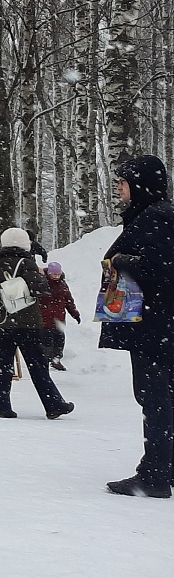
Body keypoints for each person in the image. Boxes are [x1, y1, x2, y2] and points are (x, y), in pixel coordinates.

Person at [102, 156, 174, 497]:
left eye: (124, 181)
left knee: (155, 398)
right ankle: (163, 469)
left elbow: (162, 270)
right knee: (159, 398)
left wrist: (120, 260)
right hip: (160, 326)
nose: (119, 187)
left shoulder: (155, 217)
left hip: (156, 328)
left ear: (142, 184)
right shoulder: (156, 215)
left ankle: (155, 475)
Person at [0, 227, 73, 419]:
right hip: (27, 323)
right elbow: (40, 289)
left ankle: (2, 406)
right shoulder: (27, 263)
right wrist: (40, 276)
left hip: (1, 322)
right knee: (37, 366)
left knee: (3, 366)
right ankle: (53, 404)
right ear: (25, 244)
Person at [40, 261, 81, 370]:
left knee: (59, 340)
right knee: (46, 341)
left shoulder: (62, 285)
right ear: (49, 273)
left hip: (59, 318)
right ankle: (45, 361)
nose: (56, 276)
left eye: (58, 274)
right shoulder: (42, 283)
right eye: (54, 274)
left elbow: (69, 301)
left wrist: (74, 313)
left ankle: (56, 359)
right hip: (44, 319)